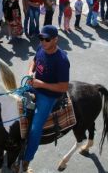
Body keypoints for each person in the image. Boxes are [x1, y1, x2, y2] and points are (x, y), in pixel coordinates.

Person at [22, 25, 70, 172]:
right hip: (35, 85)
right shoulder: (41, 48)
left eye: (47, 39)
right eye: (41, 38)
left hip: (48, 96)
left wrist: (40, 84)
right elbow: (34, 61)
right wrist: (30, 72)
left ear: (56, 40)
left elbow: (63, 87)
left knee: (35, 129)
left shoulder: (62, 60)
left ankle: (26, 160)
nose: (43, 41)